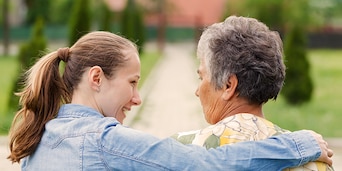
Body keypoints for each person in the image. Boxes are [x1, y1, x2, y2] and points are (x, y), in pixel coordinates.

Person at [7, 31, 332, 170]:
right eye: (132, 83)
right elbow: (207, 165)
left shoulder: (36, 142)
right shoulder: (106, 142)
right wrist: (297, 145)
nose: (137, 98)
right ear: (96, 78)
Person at [171, 16, 334, 170]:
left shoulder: (180, 152)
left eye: (201, 78)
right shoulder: (316, 159)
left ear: (229, 85)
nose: (197, 91)